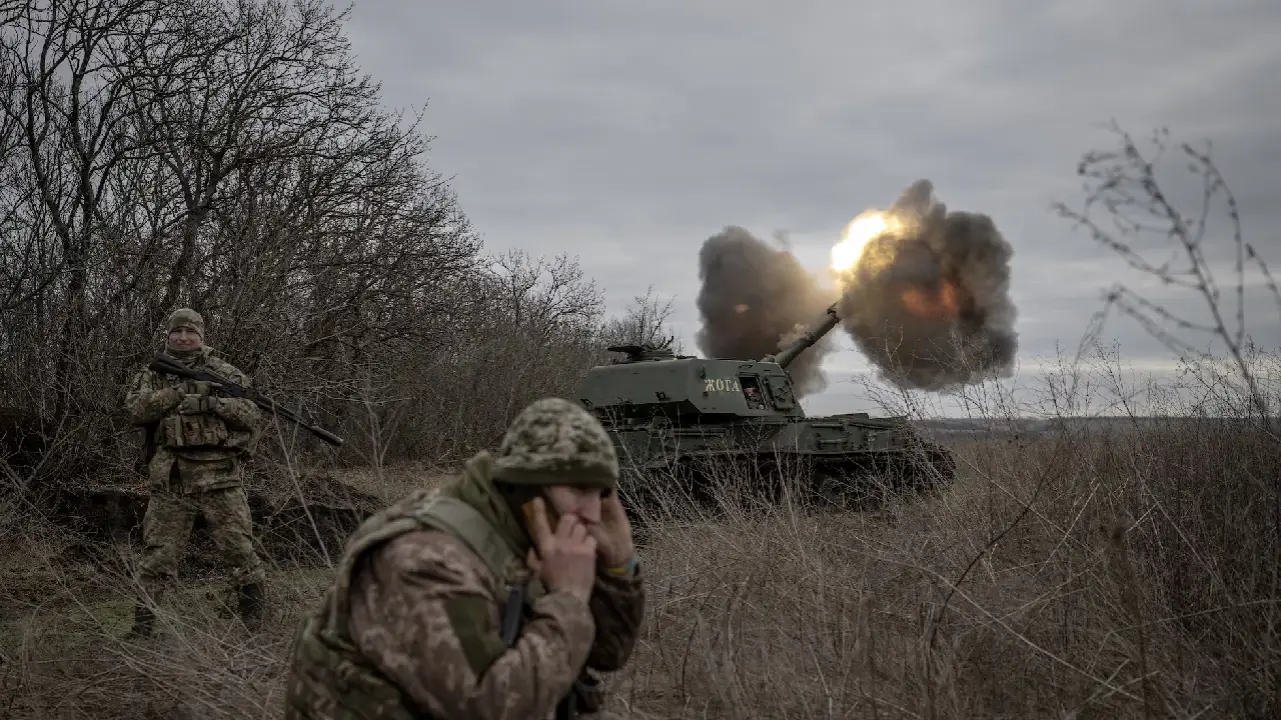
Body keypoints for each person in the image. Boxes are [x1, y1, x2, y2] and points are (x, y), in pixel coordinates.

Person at [283, 397, 646, 720]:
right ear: (528, 486)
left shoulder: (530, 538)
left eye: (600, 493)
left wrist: (619, 564)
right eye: (579, 490)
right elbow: (490, 708)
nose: (593, 513)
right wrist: (567, 598)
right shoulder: (425, 560)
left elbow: (606, 653)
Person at [123, 307, 267, 637]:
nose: (184, 337)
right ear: (169, 335)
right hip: (171, 476)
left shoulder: (223, 371)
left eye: (191, 332)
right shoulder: (153, 373)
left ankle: (254, 627)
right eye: (178, 332)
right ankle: (141, 631)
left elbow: (251, 414)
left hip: (220, 475)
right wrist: (180, 393)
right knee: (159, 555)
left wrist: (212, 404)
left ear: (202, 336)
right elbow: (136, 409)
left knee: (239, 549)